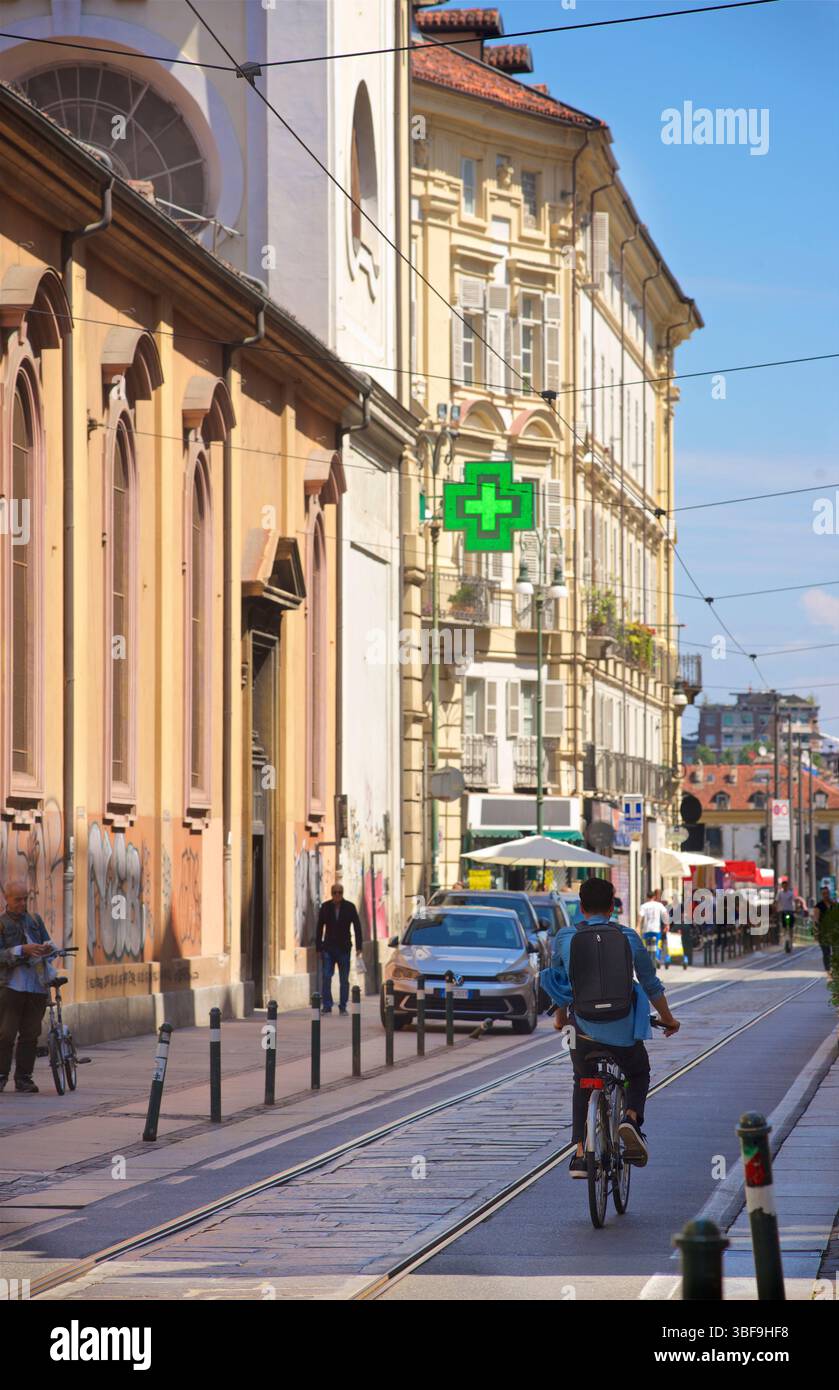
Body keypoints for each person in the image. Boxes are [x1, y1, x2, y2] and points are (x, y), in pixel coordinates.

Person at [542, 876, 680, 1175]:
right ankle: (630, 1119)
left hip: (583, 1032)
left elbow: (560, 985)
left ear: (581, 906)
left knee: (582, 1079)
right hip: (623, 1031)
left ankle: (580, 1153)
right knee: (638, 1071)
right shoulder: (629, 937)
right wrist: (668, 1019)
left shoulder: (565, 938)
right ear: (612, 906)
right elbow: (651, 984)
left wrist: (560, 1019)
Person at [0, 881, 57, 1093]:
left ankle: (24, 1078)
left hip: (36, 986)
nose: (22, 903)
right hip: (11, 986)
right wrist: (21, 950)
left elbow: (49, 944)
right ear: (7, 898)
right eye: (18, 899)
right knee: (5, 1034)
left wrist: (46, 949)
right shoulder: (2, 923)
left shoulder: (35, 920)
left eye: (25, 899)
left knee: (31, 1034)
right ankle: (1, 1075)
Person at [315, 884, 363, 1015]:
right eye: (335, 892)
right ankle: (327, 1005)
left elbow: (357, 927)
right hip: (328, 948)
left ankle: (342, 1006)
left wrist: (359, 946)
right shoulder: (325, 907)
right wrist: (318, 947)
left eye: (340, 893)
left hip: (344, 948)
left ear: (343, 893)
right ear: (331, 894)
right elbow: (319, 927)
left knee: (344, 979)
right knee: (326, 976)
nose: (337, 895)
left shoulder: (350, 907)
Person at [638, 887, 669, 968]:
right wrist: (667, 925)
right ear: (654, 897)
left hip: (647, 930)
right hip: (656, 929)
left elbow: (640, 917)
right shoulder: (659, 905)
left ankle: (648, 961)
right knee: (656, 944)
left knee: (647, 946)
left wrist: (638, 926)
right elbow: (665, 915)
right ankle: (656, 958)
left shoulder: (644, 906)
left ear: (647, 897)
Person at [812, 885, 837, 972]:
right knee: (826, 953)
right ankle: (828, 970)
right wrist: (816, 933)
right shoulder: (818, 906)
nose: (825, 895)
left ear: (829, 893)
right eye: (824, 894)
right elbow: (815, 920)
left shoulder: (834, 905)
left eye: (827, 893)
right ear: (821, 895)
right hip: (823, 933)